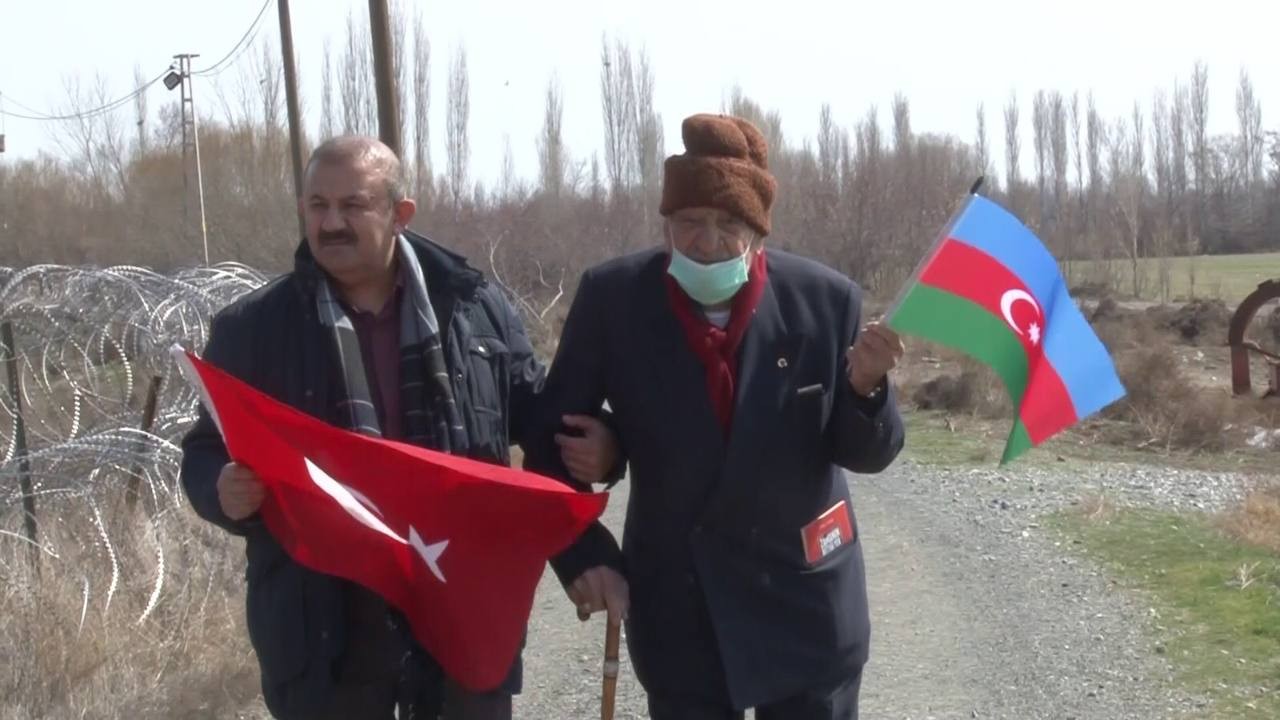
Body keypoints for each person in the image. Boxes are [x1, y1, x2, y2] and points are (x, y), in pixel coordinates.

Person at [179, 135, 620, 720]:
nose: (331, 222)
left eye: (353, 205)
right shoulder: (255, 330)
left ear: (399, 214)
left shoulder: (473, 310)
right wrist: (221, 490)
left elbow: (543, 433)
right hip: (325, 624)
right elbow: (205, 451)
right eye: (317, 205)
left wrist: (602, 477)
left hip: (461, 600)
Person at [523, 113, 906, 720]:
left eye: (728, 225)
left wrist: (864, 389)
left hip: (807, 610)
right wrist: (582, 552)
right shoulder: (614, 300)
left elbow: (866, 452)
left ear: (757, 235)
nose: (706, 242)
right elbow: (547, 441)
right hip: (680, 609)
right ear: (666, 225)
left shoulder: (825, 302)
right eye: (689, 223)